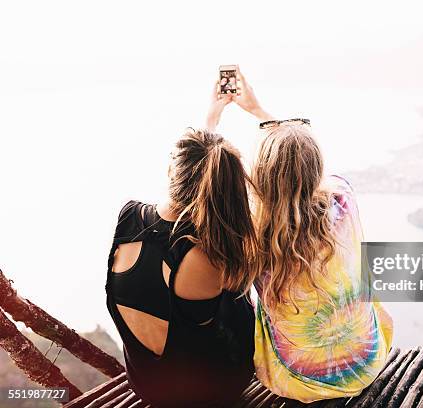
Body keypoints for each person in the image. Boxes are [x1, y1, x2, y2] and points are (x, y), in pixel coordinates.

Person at [233, 69, 394, 403]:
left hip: (299, 381)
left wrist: (214, 116)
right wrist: (262, 113)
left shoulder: (251, 234)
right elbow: (298, 157)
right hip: (365, 362)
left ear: (260, 177)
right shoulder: (343, 202)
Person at [105, 84, 257, 407]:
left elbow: (198, 176)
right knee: (246, 300)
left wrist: (210, 121)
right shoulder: (203, 258)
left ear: (170, 171)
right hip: (203, 396)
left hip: (145, 383)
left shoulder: (127, 218)